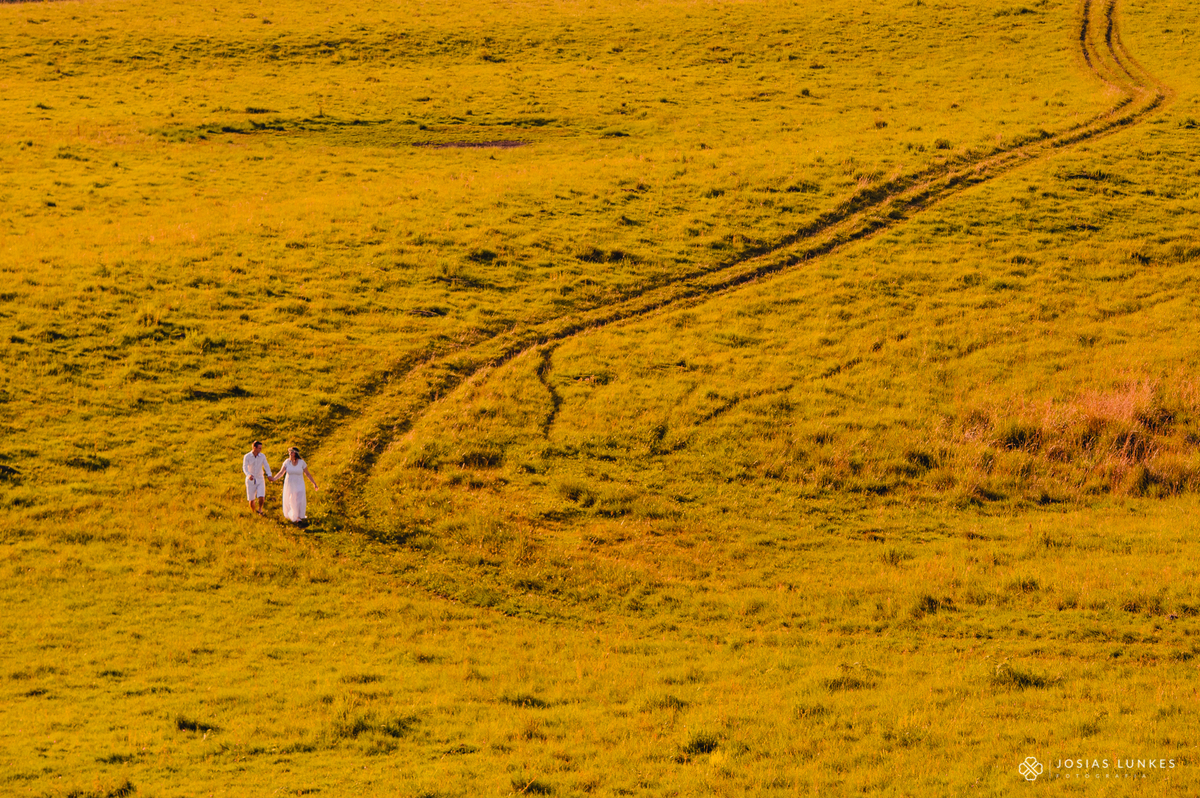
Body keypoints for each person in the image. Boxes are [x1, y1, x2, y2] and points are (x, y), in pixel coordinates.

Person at [273, 446, 318, 523]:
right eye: (290, 452)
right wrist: (274, 478)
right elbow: (281, 472)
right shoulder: (287, 462)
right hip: (290, 483)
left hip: (299, 483)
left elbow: (307, 473)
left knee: (299, 499)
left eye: (292, 452)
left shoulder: (301, 463)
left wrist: (314, 483)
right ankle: (295, 516)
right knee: (292, 499)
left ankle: (299, 515)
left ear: (295, 453)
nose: (290, 453)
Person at [242, 440, 274, 516]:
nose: (260, 449)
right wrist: (248, 475)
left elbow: (266, 466)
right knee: (251, 498)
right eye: (259, 448)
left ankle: (260, 509)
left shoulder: (262, 456)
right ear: (254, 447)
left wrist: (269, 474)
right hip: (251, 479)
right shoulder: (247, 456)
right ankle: (253, 512)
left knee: (261, 496)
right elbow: (245, 467)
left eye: (261, 448)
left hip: (260, 478)